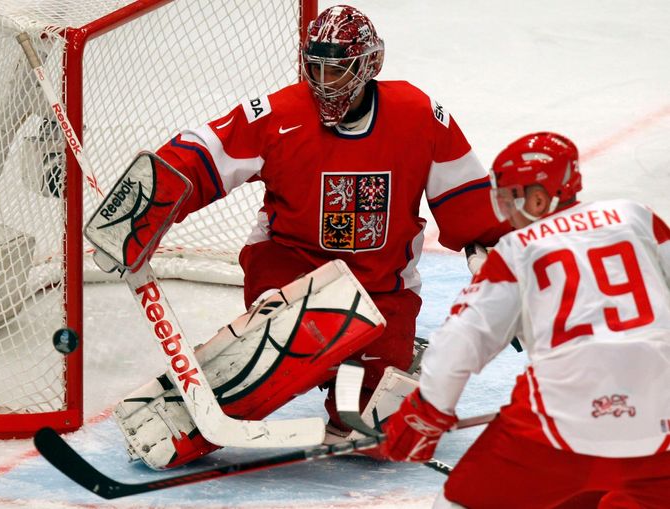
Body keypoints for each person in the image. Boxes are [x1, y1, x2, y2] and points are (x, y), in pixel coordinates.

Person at [110, 4, 508, 469]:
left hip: (382, 285)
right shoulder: (279, 113)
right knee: (293, 342)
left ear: (371, 65)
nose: (324, 81)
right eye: (315, 66)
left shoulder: (419, 116)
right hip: (292, 269)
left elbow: (468, 198)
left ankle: (381, 362)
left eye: (337, 70)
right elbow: (202, 153)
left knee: (373, 434)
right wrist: (142, 206)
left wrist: (496, 262)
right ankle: (214, 397)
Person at [379, 131, 670, 509]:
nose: (506, 214)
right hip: (659, 416)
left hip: (557, 421)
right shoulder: (638, 217)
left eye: (509, 199)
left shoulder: (517, 251)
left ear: (538, 198)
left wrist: (428, 412)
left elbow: (460, 342)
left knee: (456, 503)